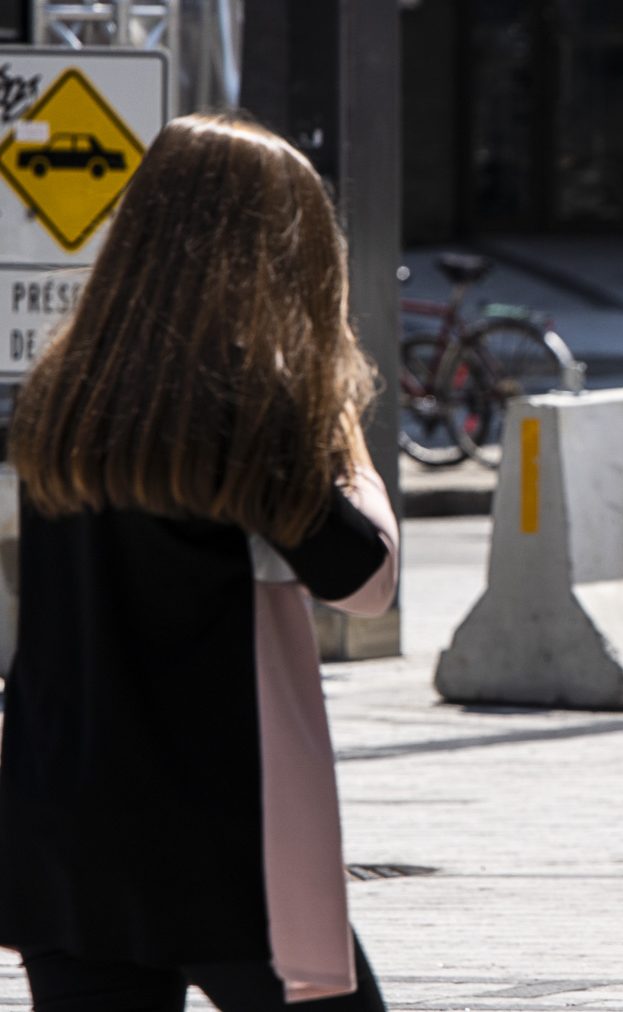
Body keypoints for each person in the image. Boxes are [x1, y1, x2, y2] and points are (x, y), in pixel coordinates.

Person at [0, 114, 396, 1011]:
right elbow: (364, 580)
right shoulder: (247, 407)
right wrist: (344, 444)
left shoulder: (61, 394)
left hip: (63, 817)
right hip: (219, 826)